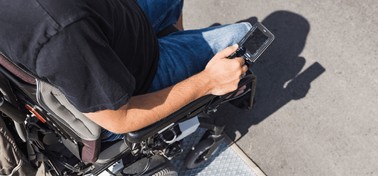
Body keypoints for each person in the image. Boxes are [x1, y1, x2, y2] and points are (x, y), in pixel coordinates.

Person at [0, 0, 251, 140]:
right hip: (136, 83)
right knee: (245, 36)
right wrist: (207, 82)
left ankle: (182, 56)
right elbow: (120, 120)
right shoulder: (62, 33)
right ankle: (186, 81)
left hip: (113, 32)